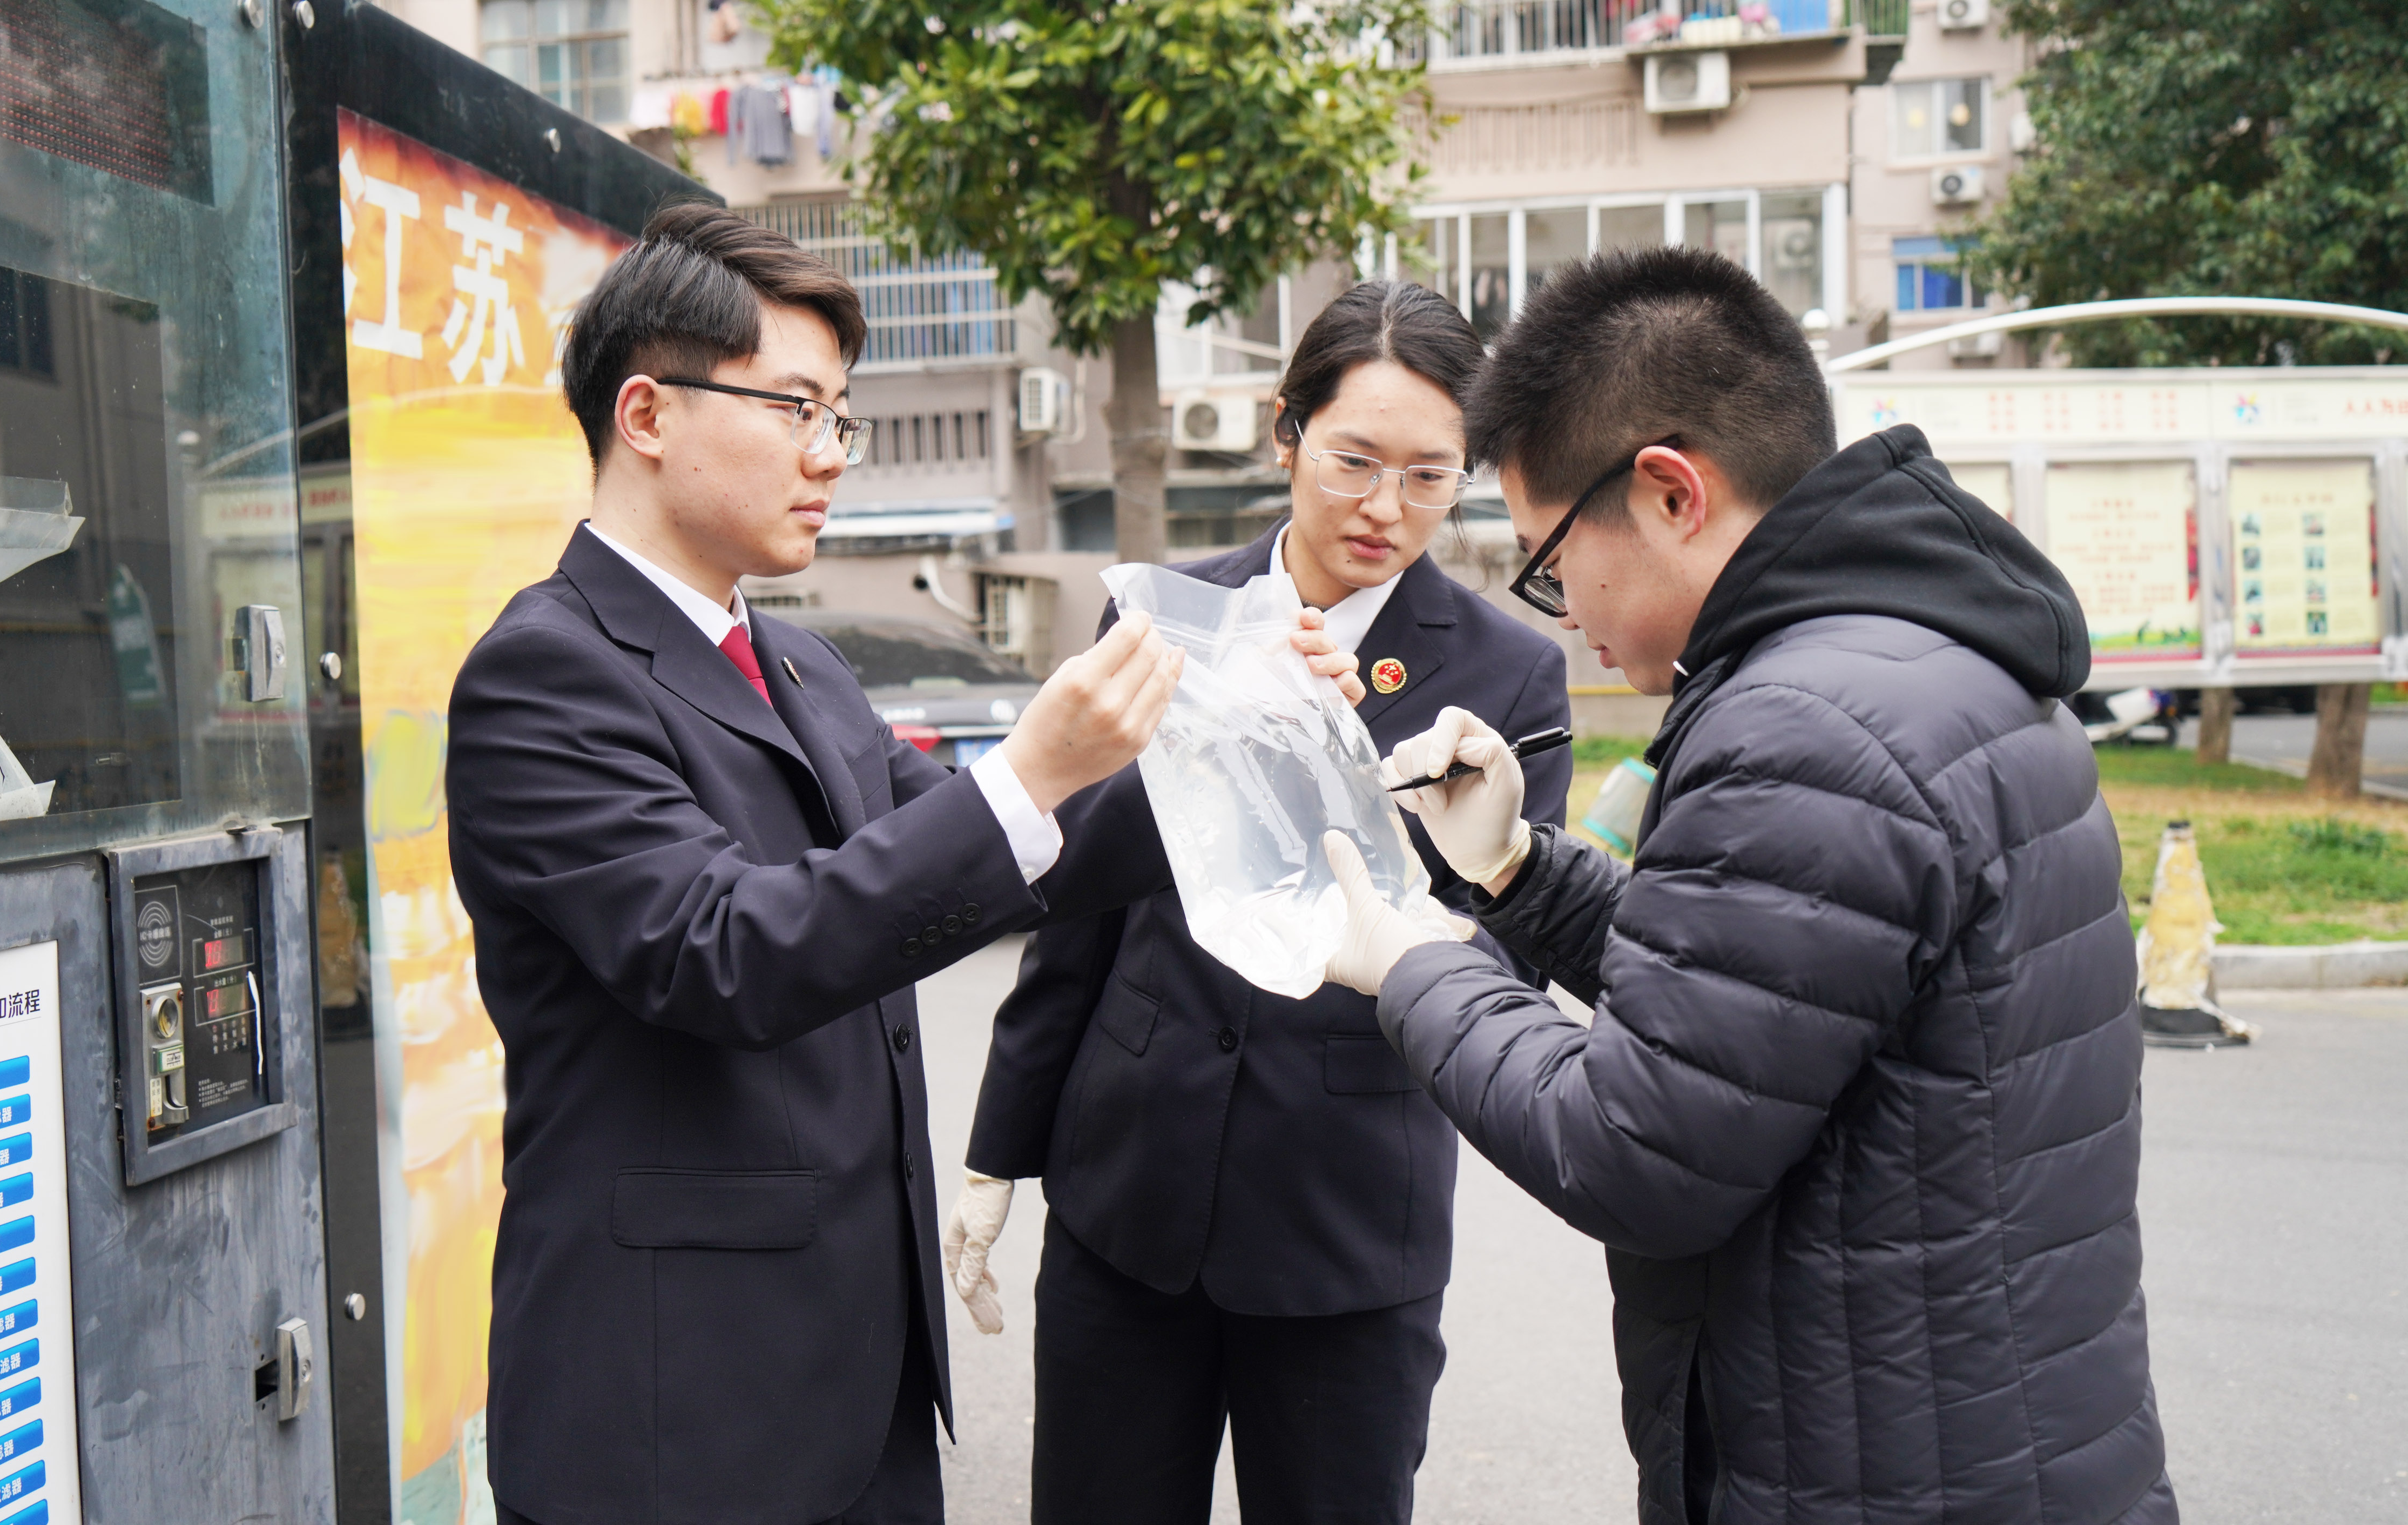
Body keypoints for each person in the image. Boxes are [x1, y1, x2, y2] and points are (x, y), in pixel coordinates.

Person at [1321, 246, 2175, 1525]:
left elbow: (1636, 1144)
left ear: (1667, 491)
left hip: (1881, 1471)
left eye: (1553, 560)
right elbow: (1758, 1007)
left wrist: (1418, 964)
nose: (1559, 612)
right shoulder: (1916, 656)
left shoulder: (1801, 724)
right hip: (1987, 1432)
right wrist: (1514, 868)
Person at [446, 204, 1227, 1525]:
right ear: (646, 415)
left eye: (841, 416)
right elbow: (724, 950)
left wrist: (1242, 744)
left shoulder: (800, 664)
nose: (831, 454)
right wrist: (1030, 766)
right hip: (672, 1419)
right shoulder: (544, 673)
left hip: (859, 1383)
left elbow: (1028, 854)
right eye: (797, 408)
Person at [946, 280, 1575, 1525]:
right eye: (1351, 461)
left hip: (1347, 1229)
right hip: (1125, 1198)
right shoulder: (1163, 614)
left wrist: (1336, 756)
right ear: (1285, 432)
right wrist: (995, 1153)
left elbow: (1503, 975)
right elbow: (1077, 909)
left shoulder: (1509, 673)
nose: (1383, 510)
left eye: (1428, 477)